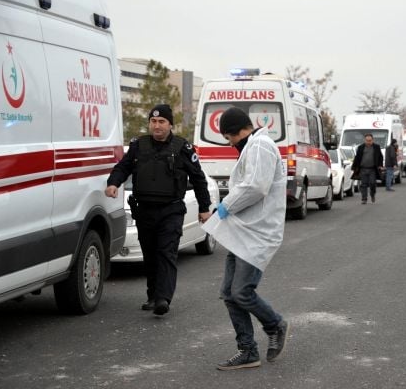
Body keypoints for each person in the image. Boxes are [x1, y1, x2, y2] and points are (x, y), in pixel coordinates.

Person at [201, 107, 289, 371]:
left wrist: (226, 205)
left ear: (236, 131)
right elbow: (247, 185)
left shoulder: (260, 145)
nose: (230, 144)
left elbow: (255, 187)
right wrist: (224, 209)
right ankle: (248, 351)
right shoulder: (254, 145)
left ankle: (275, 324)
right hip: (244, 231)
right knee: (229, 294)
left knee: (241, 291)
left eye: (229, 138)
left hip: (258, 233)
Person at [105, 104, 212, 315]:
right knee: (150, 254)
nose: (157, 126)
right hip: (144, 210)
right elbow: (123, 167)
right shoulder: (138, 145)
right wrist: (113, 183)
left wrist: (204, 207)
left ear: (170, 124)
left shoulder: (183, 148)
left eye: (161, 122)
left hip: (170, 210)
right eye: (153, 122)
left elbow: (198, 179)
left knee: (166, 252)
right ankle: (153, 296)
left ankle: (163, 298)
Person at [352, 133, 384, 204]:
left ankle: (372, 194)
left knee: (372, 183)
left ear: (372, 140)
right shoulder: (360, 147)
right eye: (367, 140)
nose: (368, 142)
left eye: (370, 140)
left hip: (372, 169)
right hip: (363, 169)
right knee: (364, 184)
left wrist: (380, 165)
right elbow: (357, 158)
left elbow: (380, 157)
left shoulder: (376, 147)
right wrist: (354, 167)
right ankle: (364, 199)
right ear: (364, 140)